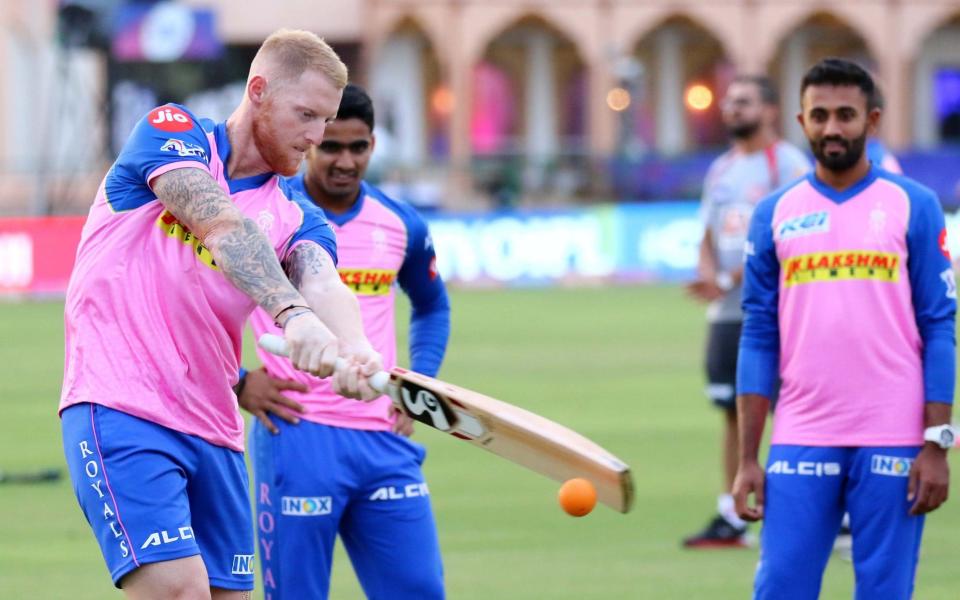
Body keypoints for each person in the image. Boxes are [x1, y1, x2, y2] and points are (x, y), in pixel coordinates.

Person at [59, 30, 383, 599]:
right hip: (121, 406)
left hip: (214, 429)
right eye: (305, 114)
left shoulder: (296, 212)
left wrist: (354, 344)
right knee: (177, 590)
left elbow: (322, 278)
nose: (315, 138)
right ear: (257, 91)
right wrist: (293, 315)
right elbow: (223, 226)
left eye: (324, 122)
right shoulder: (173, 135)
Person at [733, 58, 956, 599]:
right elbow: (759, 335)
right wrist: (747, 459)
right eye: (820, 115)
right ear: (801, 120)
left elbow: (940, 327)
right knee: (781, 587)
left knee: (883, 591)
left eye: (847, 115)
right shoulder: (774, 213)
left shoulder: (914, 205)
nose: (833, 128)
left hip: (895, 436)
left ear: (872, 121)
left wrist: (937, 445)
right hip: (803, 434)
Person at [239, 84, 450, 600]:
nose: (345, 161)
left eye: (358, 147)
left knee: (420, 590)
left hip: (385, 438)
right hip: (298, 434)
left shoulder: (402, 223)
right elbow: (192, 305)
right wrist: (240, 382)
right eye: (331, 146)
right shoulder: (271, 216)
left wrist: (418, 381)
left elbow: (432, 305)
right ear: (309, 142)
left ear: (373, 146)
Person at [683, 75, 811, 548]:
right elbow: (707, 233)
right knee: (732, 409)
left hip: (775, 311)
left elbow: (788, 239)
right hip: (725, 313)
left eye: (744, 102)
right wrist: (709, 275)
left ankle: (803, 510)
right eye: (729, 102)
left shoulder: (788, 165)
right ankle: (733, 515)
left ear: (771, 110)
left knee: (786, 409)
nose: (732, 110)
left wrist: (726, 280)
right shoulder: (720, 169)